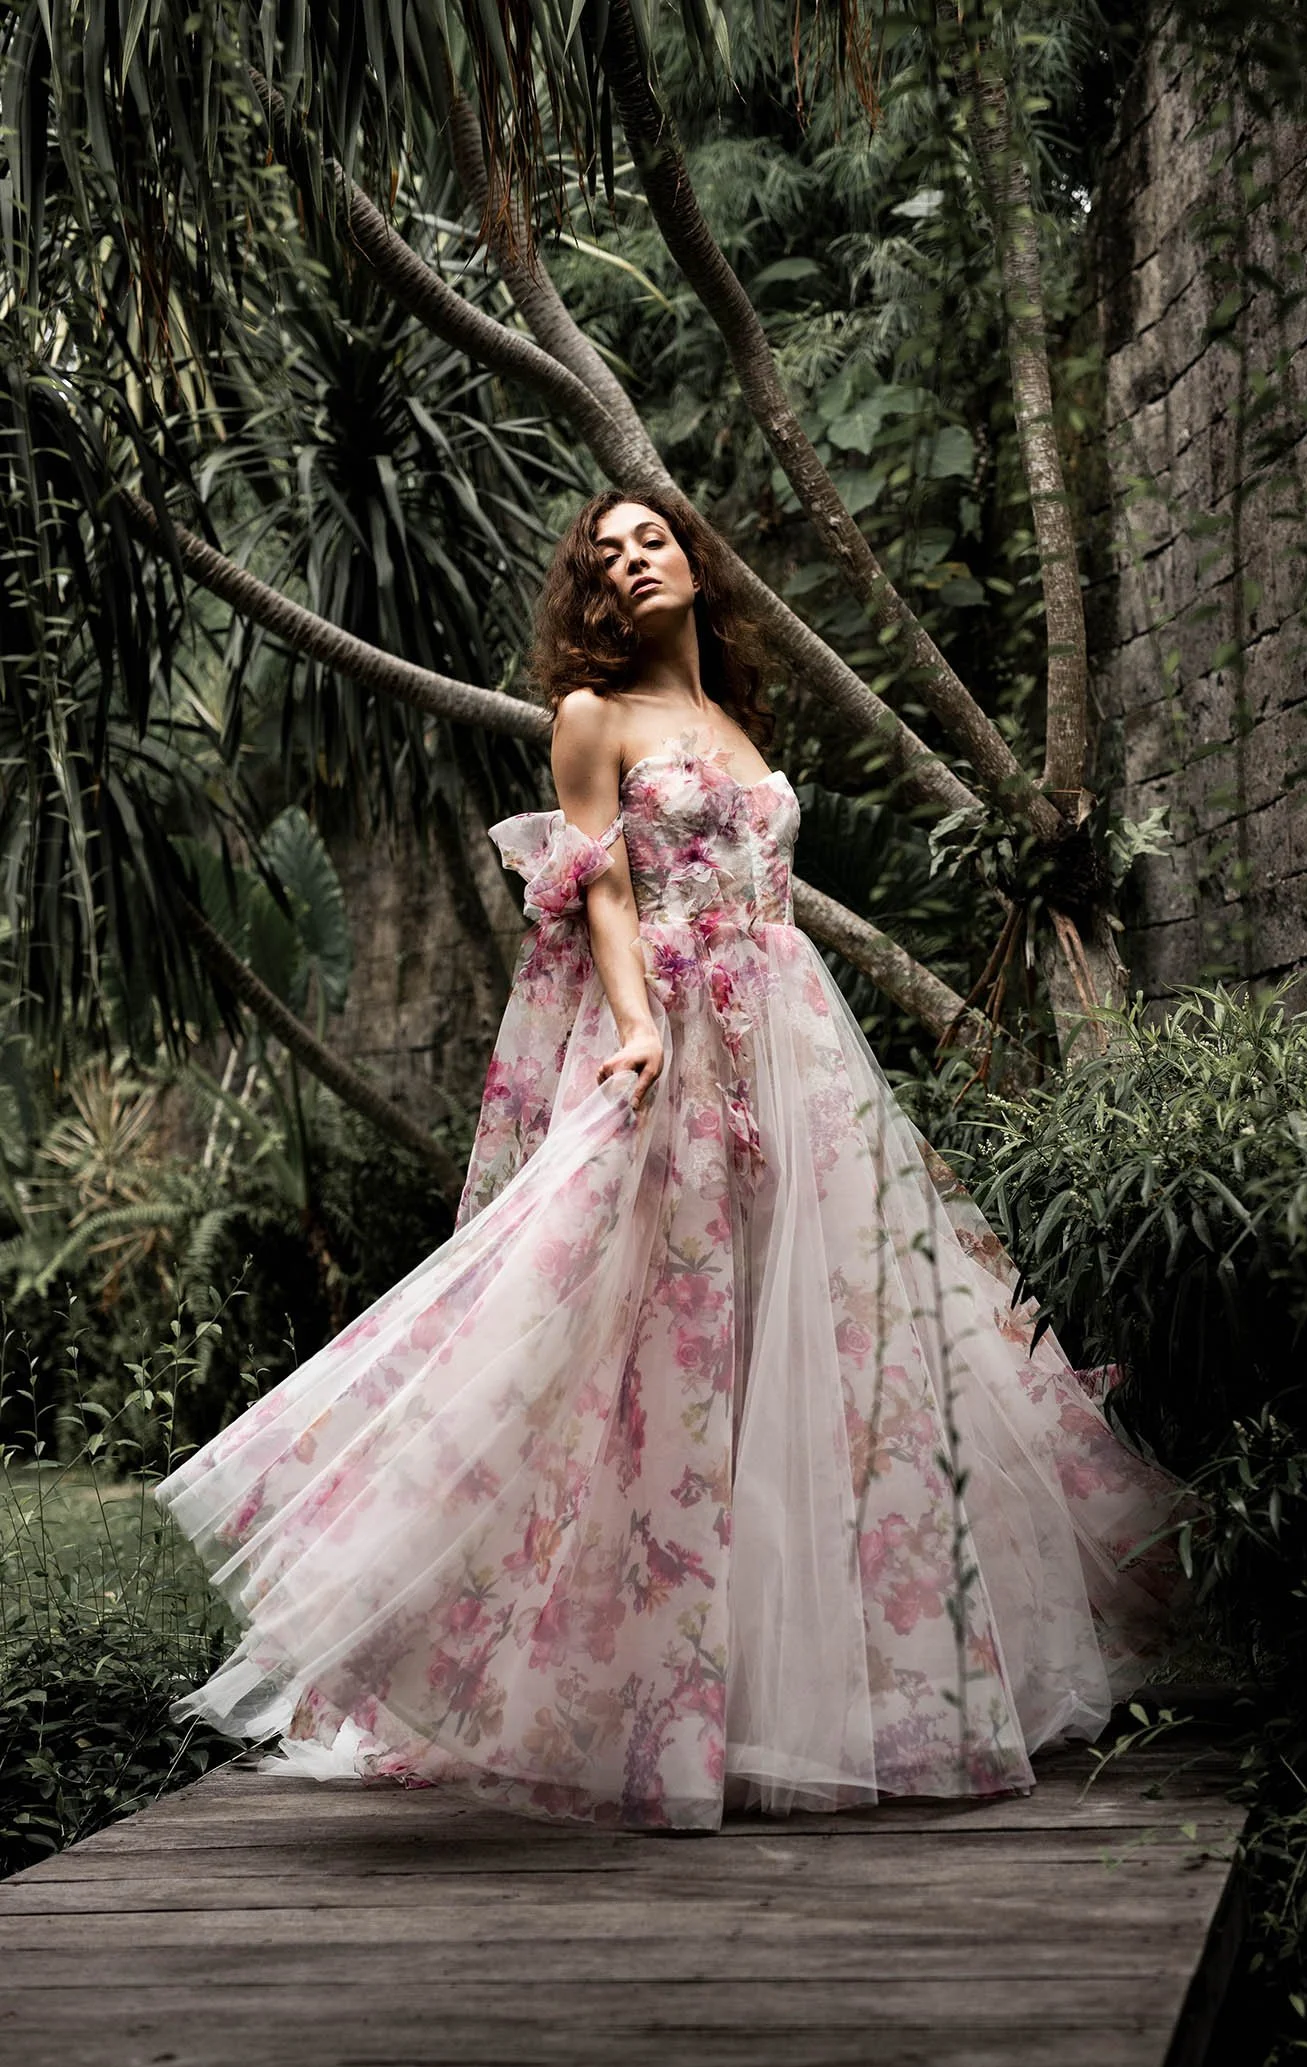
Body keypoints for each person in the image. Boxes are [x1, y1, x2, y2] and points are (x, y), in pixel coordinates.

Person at [157, 489, 1180, 1830]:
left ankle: (832, 1693)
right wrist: (638, 1027)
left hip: (796, 1047)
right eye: (604, 553)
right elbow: (599, 887)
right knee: (660, 1348)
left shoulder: (736, 722)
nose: (632, 561)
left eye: (653, 540)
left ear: (695, 563)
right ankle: (650, 1703)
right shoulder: (595, 718)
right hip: (683, 1035)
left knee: (827, 1342)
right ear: (588, 591)